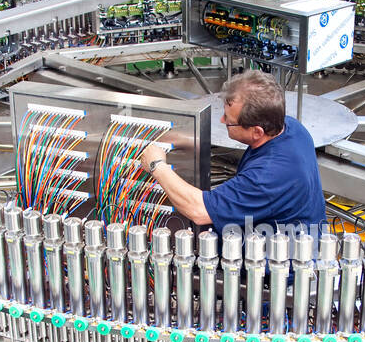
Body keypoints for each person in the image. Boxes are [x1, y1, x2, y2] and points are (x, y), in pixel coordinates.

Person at [138, 69, 324, 232]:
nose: (222, 121)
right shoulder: (291, 127)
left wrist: (157, 166)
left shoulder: (268, 176)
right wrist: (183, 137)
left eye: (229, 120)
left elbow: (199, 210)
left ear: (257, 131)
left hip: (277, 266)